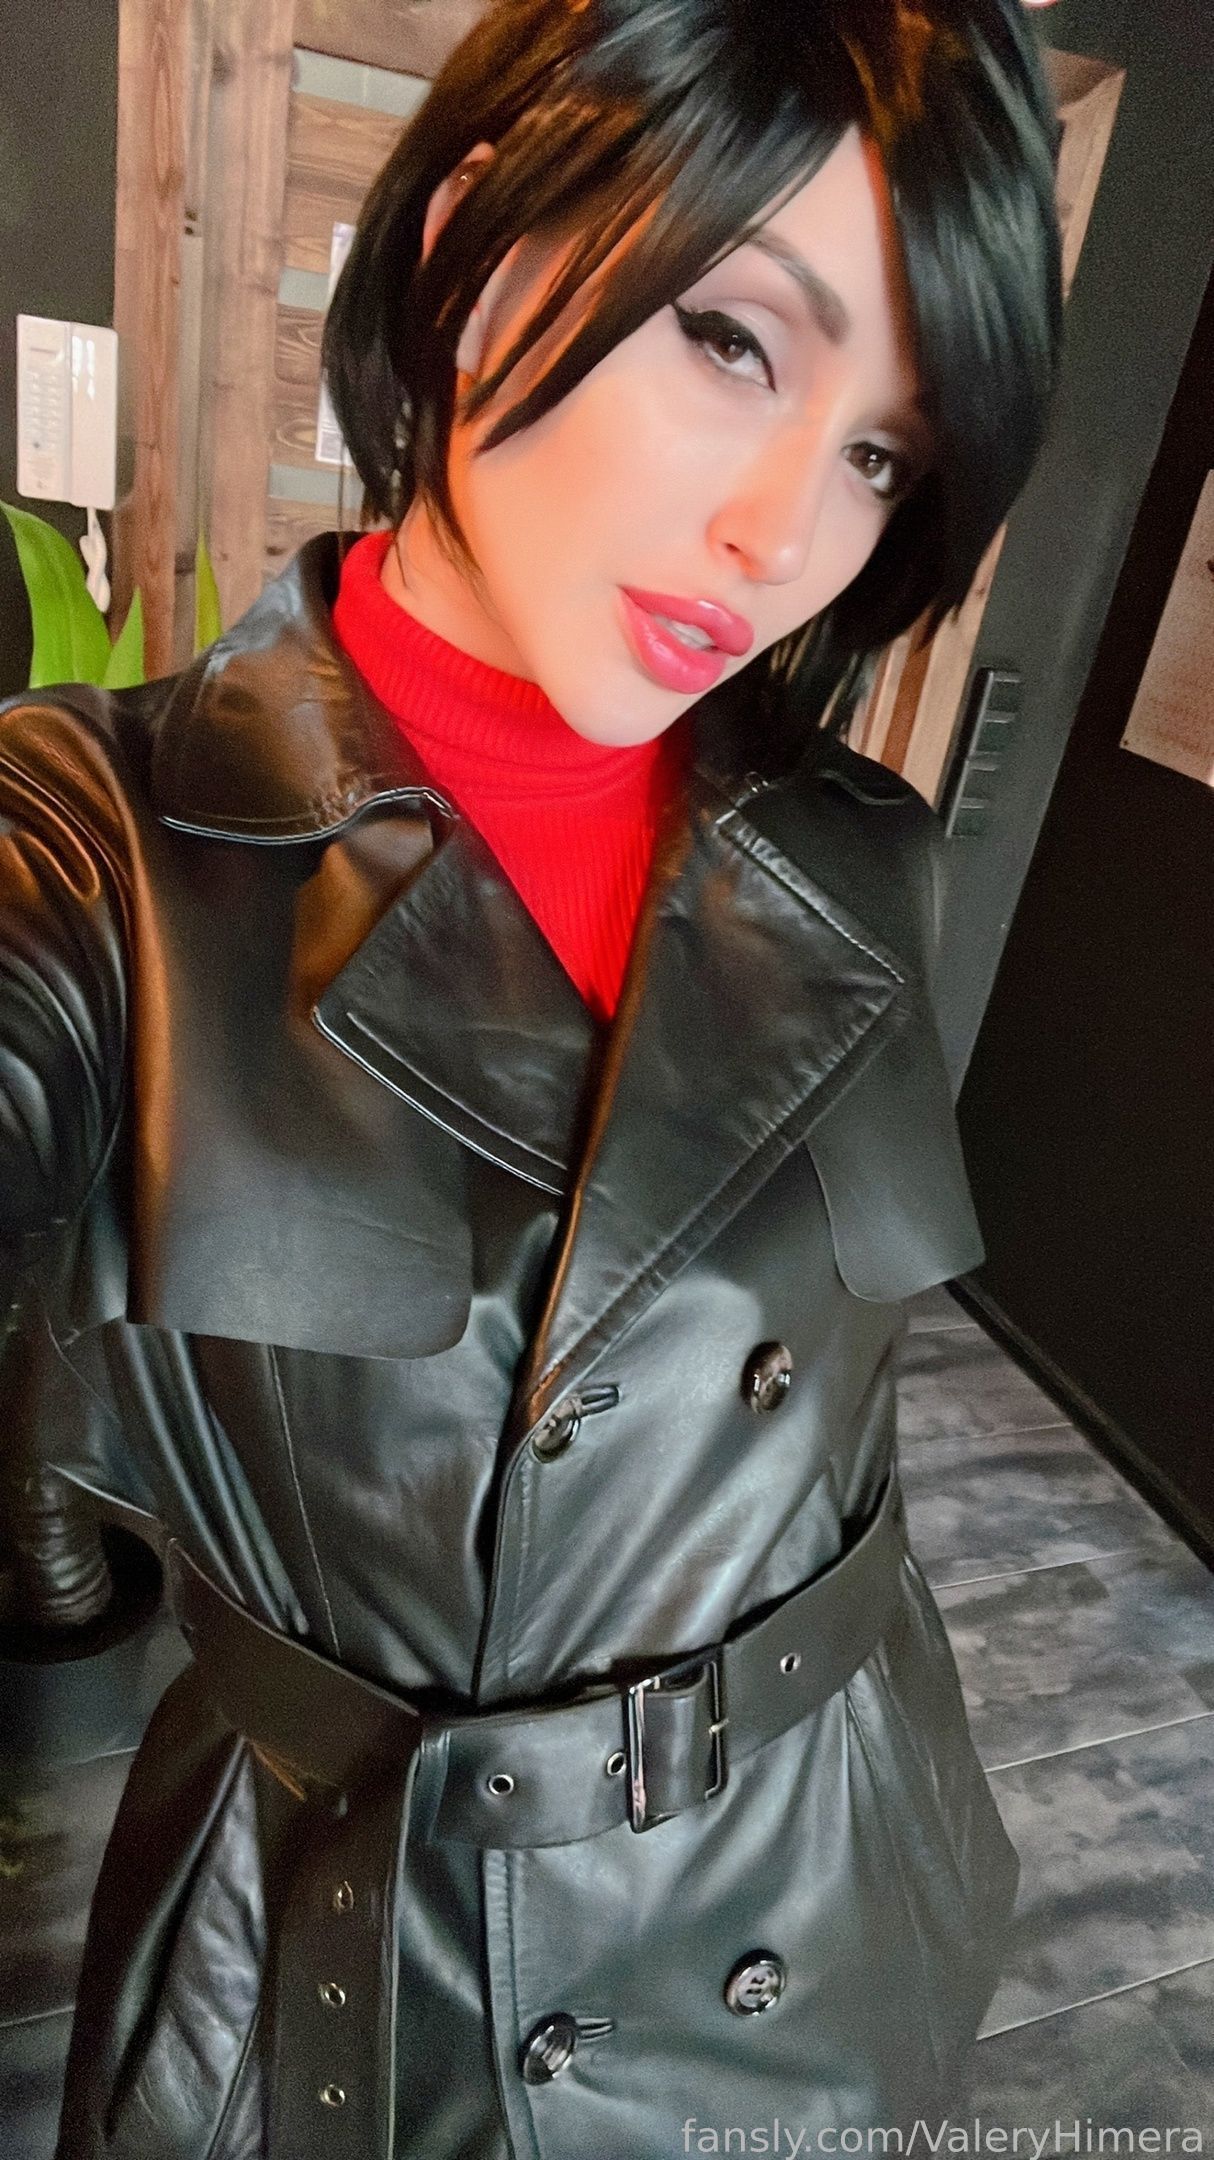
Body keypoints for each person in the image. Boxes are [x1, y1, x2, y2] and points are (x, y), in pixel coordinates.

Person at [0, 0, 1063, 2153]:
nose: (787, 531)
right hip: (370, 1965)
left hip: (839, 1880)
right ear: (479, 254)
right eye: (733, 340)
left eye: (882, 452)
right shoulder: (94, 852)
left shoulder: (869, 855)